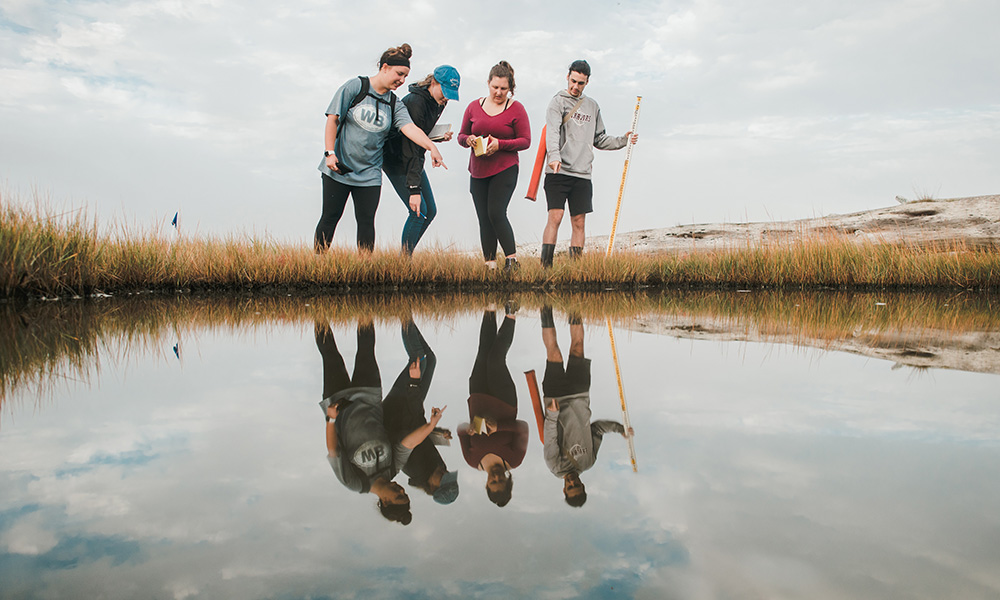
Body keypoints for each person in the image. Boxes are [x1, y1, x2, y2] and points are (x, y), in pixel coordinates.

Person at [315, 43, 447, 253]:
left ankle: (365, 270)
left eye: (405, 76)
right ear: (385, 67)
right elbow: (333, 119)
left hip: (370, 173)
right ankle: (318, 264)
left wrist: (431, 146)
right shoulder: (356, 87)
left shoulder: (395, 104)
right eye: (399, 74)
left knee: (366, 222)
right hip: (339, 167)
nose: (402, 80)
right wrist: (329, 153)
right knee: (331, 217)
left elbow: (410, 128)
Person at [316, 319, 446, 525]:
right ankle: (363, 294)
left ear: (385, 502)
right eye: (405, 493)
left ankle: (318, 308)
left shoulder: (355, 482)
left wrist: (330, 420)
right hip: (369, 394)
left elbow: (334, 451)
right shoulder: (392, 468)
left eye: (398, 496)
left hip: (339, 402)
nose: (401, 489)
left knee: (330, 353)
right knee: (367, 346)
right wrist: (430, 426)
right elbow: (408, 443)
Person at [539, 59, 639, 267]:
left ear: (587, 82)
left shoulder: (592, 106)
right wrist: (554, 157)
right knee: (555, 218)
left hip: (582, 174)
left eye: (580, 83)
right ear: (567, 77)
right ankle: (545, 268)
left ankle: (576, 269)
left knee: (579, 222)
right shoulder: (557, 102)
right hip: (558, 172)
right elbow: (552, 133)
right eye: (573, 81)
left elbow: (600, 139)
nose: (575, 87)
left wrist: (623, 140)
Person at [539, 305, 632, 507]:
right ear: (583, 485)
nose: (573, 483)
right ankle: (575, 303)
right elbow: (597, 429)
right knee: (578, 347)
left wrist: (553, 415)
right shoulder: (588, 462)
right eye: (577, 486)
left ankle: (544, 306)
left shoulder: (554, 466)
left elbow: (550, 437)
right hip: (580, 395)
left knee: (553, 352)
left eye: (570, 487)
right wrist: (619, 429)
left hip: (556, 401)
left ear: (564, 489)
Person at [457, 61, 531, 272]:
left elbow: (525, 141)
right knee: (484, 218)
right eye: (495, 87)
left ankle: (512, 261)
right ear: (488, 83)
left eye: (504, 89)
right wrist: (468, 139)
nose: (498, 92)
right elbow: (461, 136)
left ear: (510, 89)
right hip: (478, 170)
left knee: (496, 212)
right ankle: (490, 266)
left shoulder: (516, 108)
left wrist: (500, 144)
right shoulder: (473, 106)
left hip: (505, 168)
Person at [383, 65, 461, 255]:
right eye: (445, 91)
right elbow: (410, 146)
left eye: (451, 94)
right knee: (418, 212)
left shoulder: (438, 101)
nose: (446, 98)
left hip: (413, 157)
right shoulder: (416, 102)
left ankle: (405, 257)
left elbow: (421, 134)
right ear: (433, 82)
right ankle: (403, 262)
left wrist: (437, 137)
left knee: (430, 211)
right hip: (397, 159)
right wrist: (414, 189)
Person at [381, 317, 460, 505]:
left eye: (444, 479)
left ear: (433, 487)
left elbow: (409, 430)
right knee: (430, 360)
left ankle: (403, 312)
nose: (446, 473)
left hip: (397, 412)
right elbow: (422, 436)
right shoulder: (436, 468)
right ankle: (406, 316)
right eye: (449, 475)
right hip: (412, 410)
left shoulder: (416, 469)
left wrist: (414, 384)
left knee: (419, 360)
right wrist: (438, 433)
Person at [457, 306, 528, 507]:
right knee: (496, 360)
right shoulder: (514, 460)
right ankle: (511, 310)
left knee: (483, 352)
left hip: (478, 396)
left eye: (493, 483)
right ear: (508, 482)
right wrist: (499, 427)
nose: (496, 478)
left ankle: (489, 307)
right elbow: (523, 429)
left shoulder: (473, 461)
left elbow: (462, 431)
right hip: (503, 401)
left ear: (486, 485)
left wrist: (468, 428)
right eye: (501, 481)